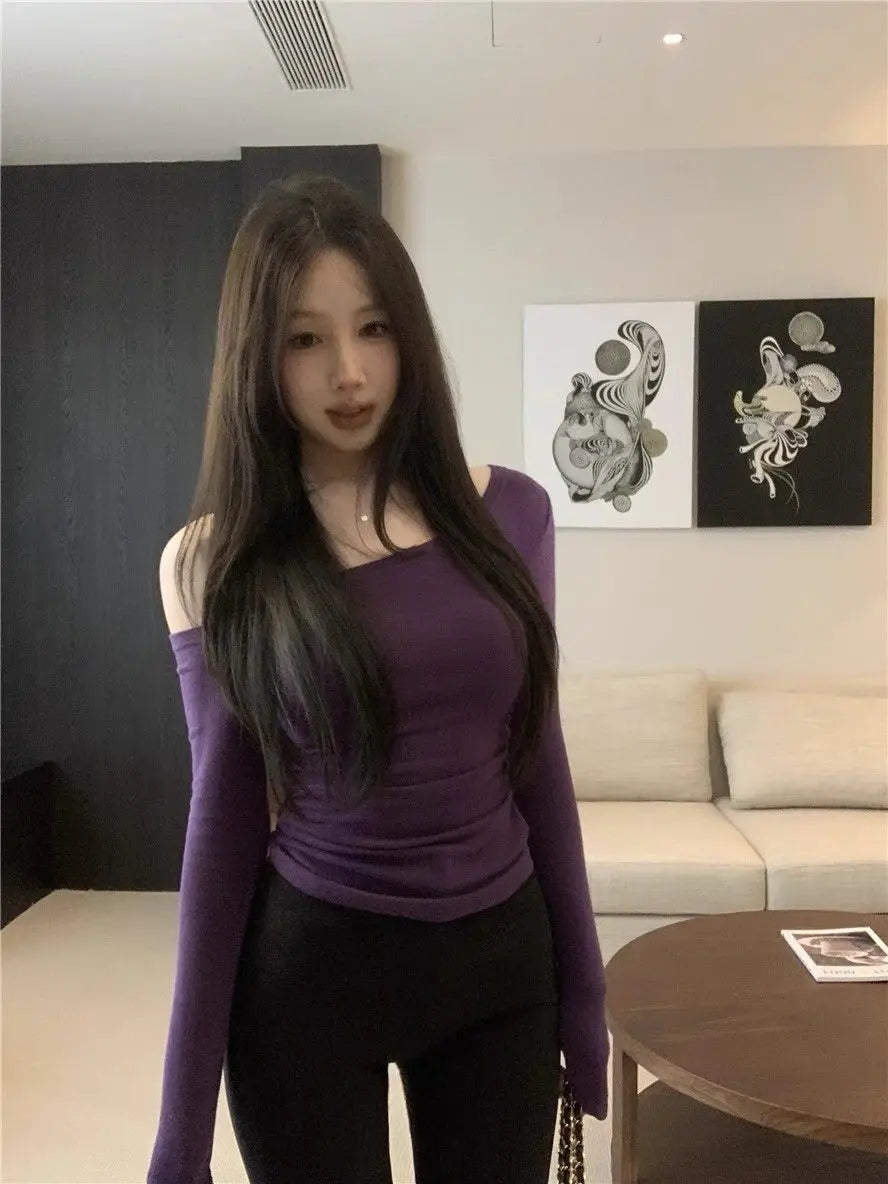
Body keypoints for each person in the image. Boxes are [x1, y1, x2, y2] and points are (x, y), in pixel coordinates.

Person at [148, 172, 609, 1184]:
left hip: (500, 971)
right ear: (256, 356)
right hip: (311, 974)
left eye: (373, 328)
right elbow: (223, 825)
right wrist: (181, 1123)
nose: (349, 372)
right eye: (304, 339)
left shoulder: (513, 515)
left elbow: (538, 757)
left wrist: (586, 994)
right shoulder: (212, 563)